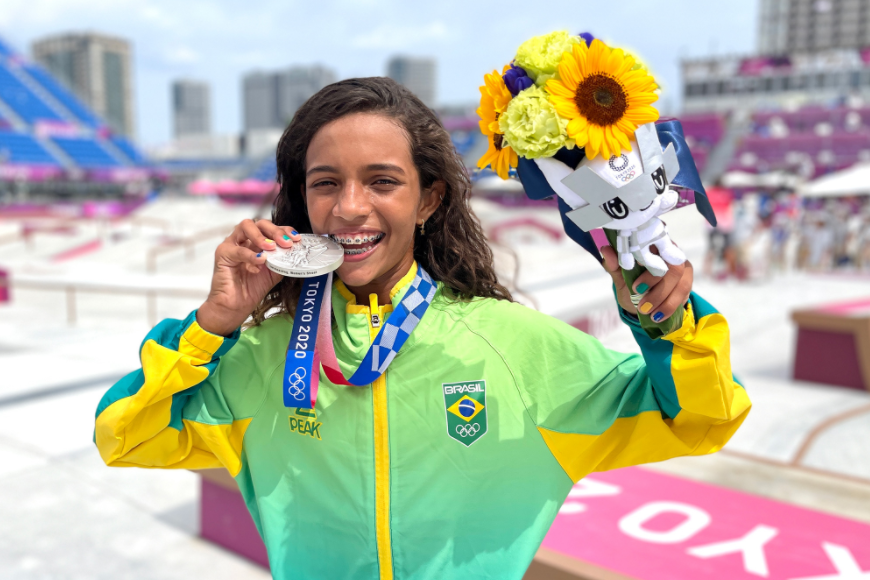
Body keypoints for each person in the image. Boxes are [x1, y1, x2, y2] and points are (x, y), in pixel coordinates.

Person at [93, 78, 750, 580]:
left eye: (382, 181)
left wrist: (668, 325)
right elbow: (124, 435)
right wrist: (213, 326)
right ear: (303, 198)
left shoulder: (516, 346)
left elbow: (701, 418)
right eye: (327, 183)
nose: (350, 208)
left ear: (429, 198)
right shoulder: (260, 357)